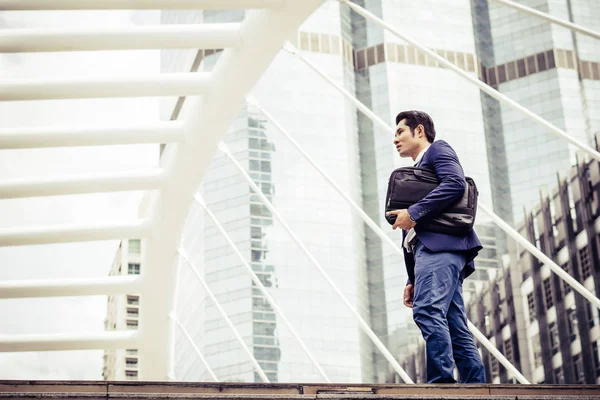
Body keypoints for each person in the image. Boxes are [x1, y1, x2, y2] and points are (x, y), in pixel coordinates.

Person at [386, 110, 486, 384]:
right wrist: (413, 278)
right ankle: (475, 385)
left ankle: (441, 384)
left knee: (428, 311)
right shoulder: (419, 170)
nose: (395, 139)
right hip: (433, 252)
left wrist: (414, 212)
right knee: (454, 324)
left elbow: (455, 183)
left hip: (441, 248)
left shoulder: (437, 150)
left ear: (419, 131)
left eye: (400, 132)